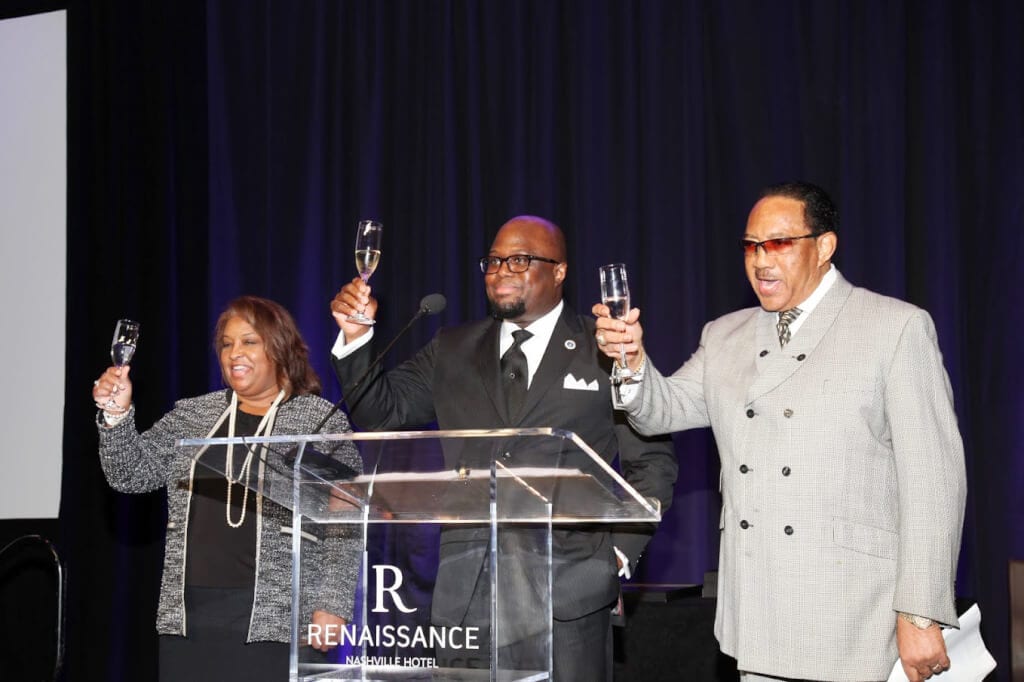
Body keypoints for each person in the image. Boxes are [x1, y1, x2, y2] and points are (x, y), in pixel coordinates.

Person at [593, 182, 967, 682]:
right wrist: (633, 362)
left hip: (856, 615)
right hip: (761, 612)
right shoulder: (724, 335)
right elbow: (663, 410)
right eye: (751, 246)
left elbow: (934, 482)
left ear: (824, 246)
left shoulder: (894, 327)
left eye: (779, 244)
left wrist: (920, 613)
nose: (761, 261)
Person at [329, 215, 677, 680]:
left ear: (559, 271)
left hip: (569, 594)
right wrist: (356, 338)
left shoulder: (604, 349)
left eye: (519, 260)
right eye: (492, 262)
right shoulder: (453, 347)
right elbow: (380, 411)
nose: (500, 272)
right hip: (467, 596)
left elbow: (651, 464)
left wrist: (614, 557)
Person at [91, 296, 362, 682]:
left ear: (280, 348)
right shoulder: (194, 415)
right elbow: (130, 474)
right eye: (227, 343)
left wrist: (332, 603)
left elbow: (346, 517)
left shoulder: (318, 421)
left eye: (249, 341)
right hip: (189, 616)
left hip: (277, 617)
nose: (235, 353)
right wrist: (116, 416)